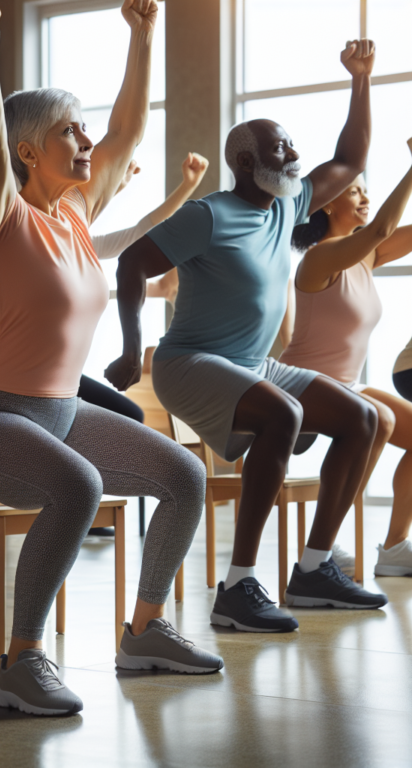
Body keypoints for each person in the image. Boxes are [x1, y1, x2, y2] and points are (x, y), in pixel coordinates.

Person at [0, 0, 223, 719]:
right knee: (78, 485)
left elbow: (128, 132)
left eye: (83, 128)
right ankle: (21, 664)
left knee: (184, 475)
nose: (87, 139)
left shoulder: (74, 213)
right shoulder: (1, 214)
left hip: (62, 412)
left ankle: (145, 631)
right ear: (27, 152)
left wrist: (144, 35)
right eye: (70, 130)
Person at [106, 39, 388, 634]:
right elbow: (131, 262)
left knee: (360, 418)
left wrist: (360, 80)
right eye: (280, 146)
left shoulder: (289, 206)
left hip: (254, 363)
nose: (294, 154)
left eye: (291, 145)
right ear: (244, 160)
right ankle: (238, 586)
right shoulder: (208, 214)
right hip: (191, 362)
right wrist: (132, 348)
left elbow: (350, 158)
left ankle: (313, 570)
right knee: (283, 414)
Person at [0, 152, 209, 541]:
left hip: (28, 375)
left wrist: (185, 188)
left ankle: (75, 506)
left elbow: (134, 236)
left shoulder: (61, 243)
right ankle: (48, 503)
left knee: (127, 411)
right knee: (19, 425)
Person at [282, 142, 412, 578]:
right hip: (301, 382)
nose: (365, 196)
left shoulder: (365, 256)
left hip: (345, 384)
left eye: (364, 189)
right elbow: (380, 229)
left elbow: (388, 234)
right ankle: (323, 546)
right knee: (380, 420)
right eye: (355, 190)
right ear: (327, 202)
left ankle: (394, 548)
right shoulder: (320, 258)